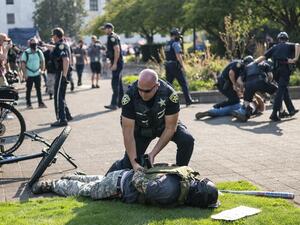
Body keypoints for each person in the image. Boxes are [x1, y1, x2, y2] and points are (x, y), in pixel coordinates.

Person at [106, 69, 194, 173]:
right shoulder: (129, 96)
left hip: (163, 125)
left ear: (156, 86)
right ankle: (105, 180)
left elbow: (171, 128)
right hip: (141, 129)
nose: (142, 94)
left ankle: (181, 175)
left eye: (147, 91)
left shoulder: (170, 95)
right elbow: (128, 132)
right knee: (129, 163)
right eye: (140, 89)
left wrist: (152, 154)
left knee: (187, 140)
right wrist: (134, 163)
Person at [31, 164, 219, 208]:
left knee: (96, 179)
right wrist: (138, 170)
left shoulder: (185, 175)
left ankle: (70, 177)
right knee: (85, 190)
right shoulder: (168, 192)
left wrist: (138, 169)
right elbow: (139, 183)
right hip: (118, 185)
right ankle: (53, 185)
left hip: (121, 175)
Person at [254, 31, 300, 121]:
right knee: (280, 91)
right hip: (284, 70)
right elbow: (298, 45)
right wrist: (295, 58)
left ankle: (291, 110)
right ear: (286, 39)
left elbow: (263, 57)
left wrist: (253, 63)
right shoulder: (288, 45)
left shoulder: (274, 47)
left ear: (279, 39)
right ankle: (274, 113)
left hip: (275, 72)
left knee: (284, 90)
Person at [232, 56, 278, 122]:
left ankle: (244, 113)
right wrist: (268, 84)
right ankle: (279, 111)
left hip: (249, 85)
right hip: (260, 81)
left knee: (246, 102)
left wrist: (244, 87)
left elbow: (239, 80)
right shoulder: (263, 63)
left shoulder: (246, 68)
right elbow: (270, 76)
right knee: (277, 92)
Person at [48, 27, 73, 127]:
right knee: (61, 95)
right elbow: (55, 49)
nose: (52, 37)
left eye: (53, 35)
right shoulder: (61, 45)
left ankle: (62, 119)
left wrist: (64, 76)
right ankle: (67, 115)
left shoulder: (61, 46)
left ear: (56, 35)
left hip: (62, 73)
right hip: (62, 72)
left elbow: (65, 60)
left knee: (58, 97)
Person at [164, 28, 194, 106]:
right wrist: (183, 66)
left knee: (168, 84)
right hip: (175, 65)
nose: (179, 36)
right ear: (174, 35)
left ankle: (166, 101)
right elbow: (178, 56)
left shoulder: (167, 44)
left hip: (167, 65)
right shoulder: (175, 43)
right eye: (178, 35)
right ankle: (188, 100)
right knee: (183, 83)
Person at [102, 23, 124, 110]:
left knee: (115, 83)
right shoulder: (115, 36)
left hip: (117, 63)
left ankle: (114, 104)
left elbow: (117, 50)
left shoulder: (112, 37)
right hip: (118, 62)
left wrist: (114, 63)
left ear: (110, 29)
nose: (104, 30)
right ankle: (121, 103)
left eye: (105, 29)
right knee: (119, 83)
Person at [21, 37, 47, 109]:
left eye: (35, 43)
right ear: (30, 44)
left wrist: (42, 70)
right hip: (29, 74)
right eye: (32, 44)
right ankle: (28, 104)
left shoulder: (39, 52)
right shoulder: (26, 52)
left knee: (38, 89)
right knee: (28, 89)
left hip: (37, 73)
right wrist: (24, 74)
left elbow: (42, 61)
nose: (34, 45)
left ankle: (40, 103)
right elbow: (23, 64)